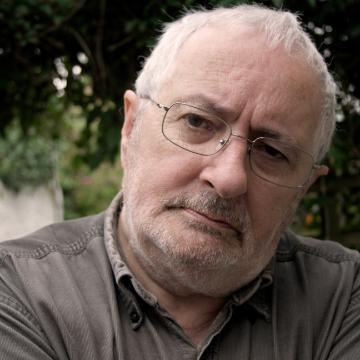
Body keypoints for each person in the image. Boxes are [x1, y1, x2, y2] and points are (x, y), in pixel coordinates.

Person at [0, 4, 359, 359]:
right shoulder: (18, 290)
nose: (229, 178)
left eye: (273, 153)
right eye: (197, 122)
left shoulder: (344, 300)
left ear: (306, 186)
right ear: (131, 127)